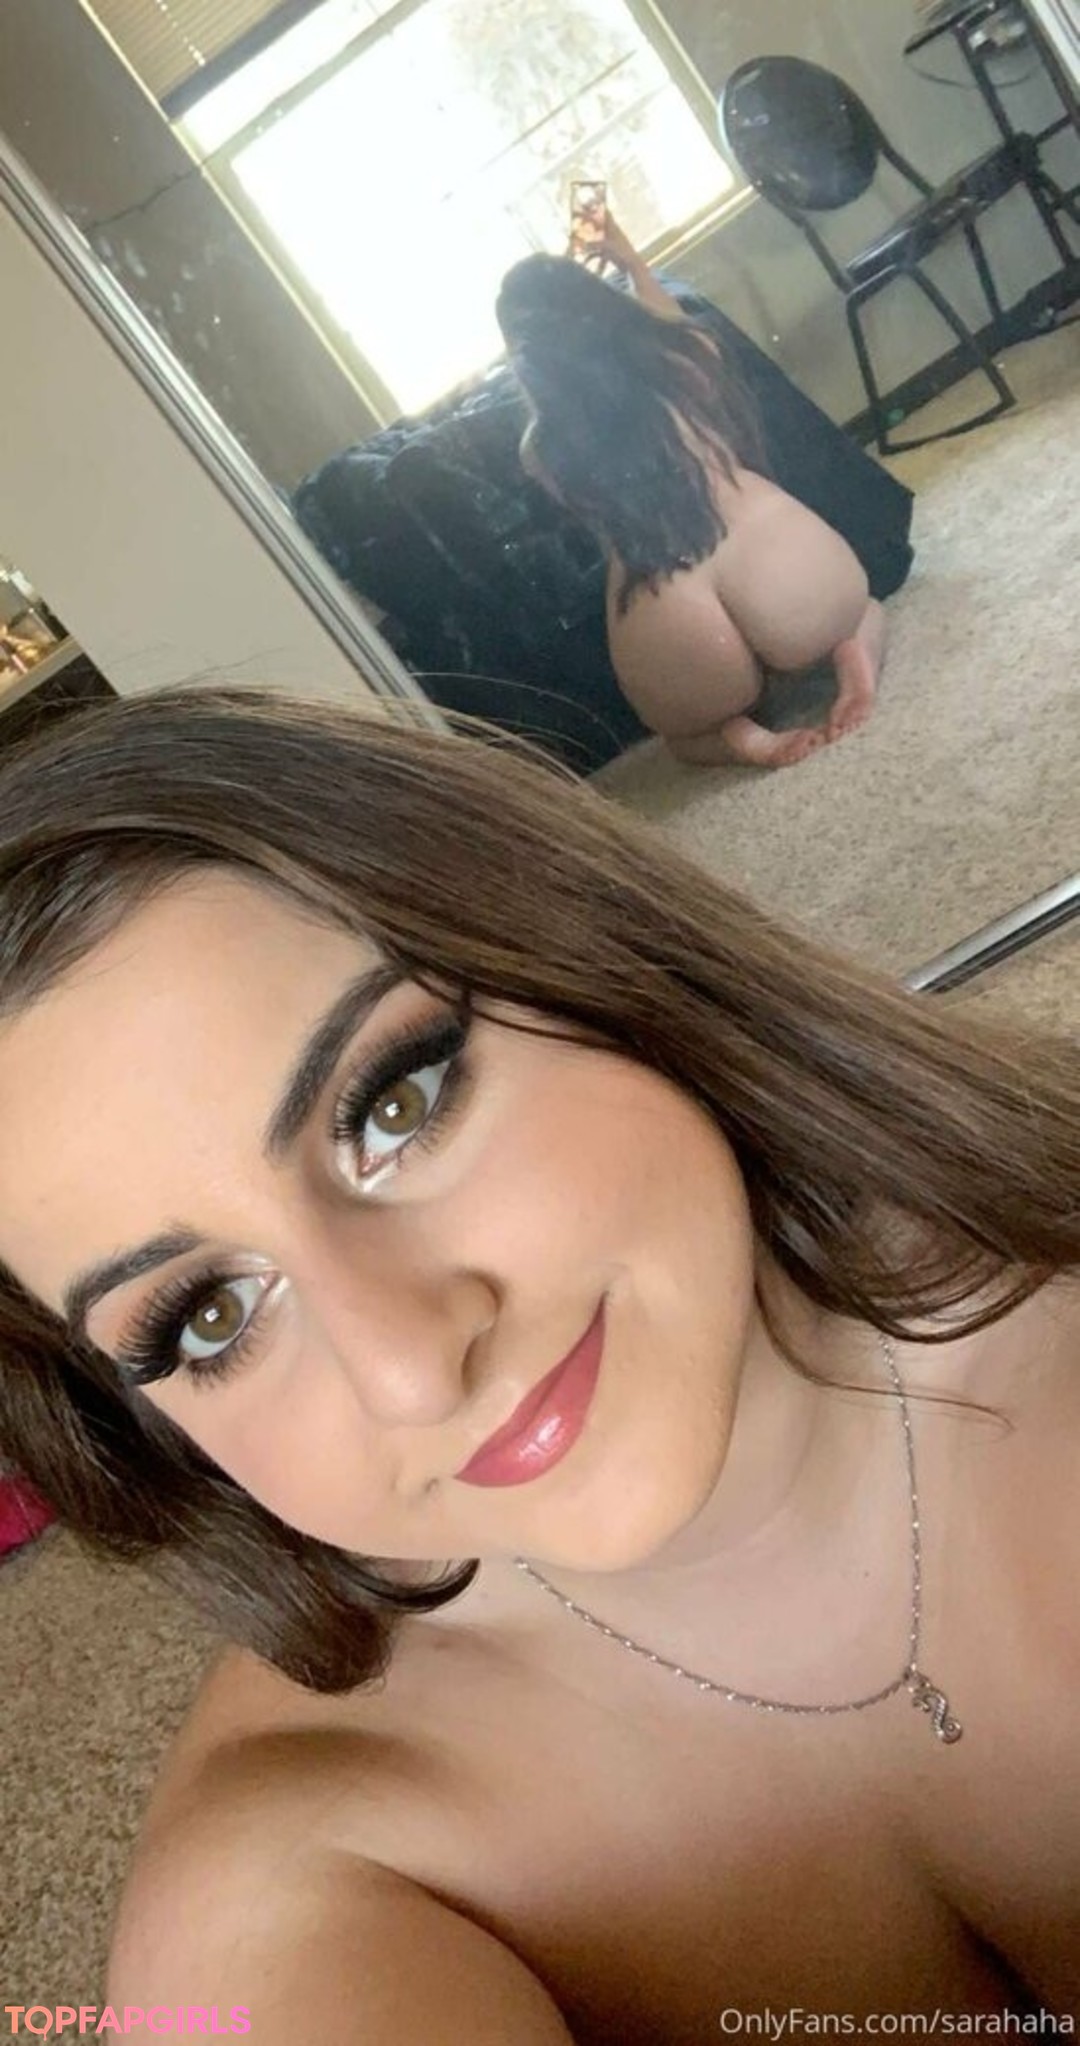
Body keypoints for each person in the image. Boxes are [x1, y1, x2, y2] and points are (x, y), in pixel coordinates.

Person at [1, 688, 1078, 2040]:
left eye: (393, 1105)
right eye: (208, 1315)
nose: (411, 1367)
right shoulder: (306, 1889)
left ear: (587, 948)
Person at [496, 217, 888, 770]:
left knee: (681, 739)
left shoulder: (541, 450)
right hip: (778, 563)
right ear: (600, 304)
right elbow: (665, 320)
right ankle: (854, 656)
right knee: (866, 610)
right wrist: (632, 264)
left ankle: (739, 737)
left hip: (671, 617)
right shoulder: (682, 356)